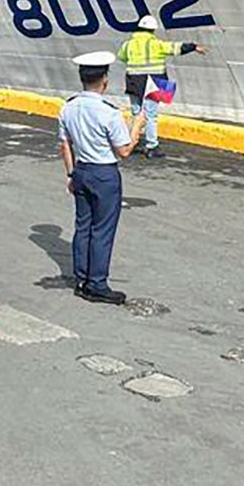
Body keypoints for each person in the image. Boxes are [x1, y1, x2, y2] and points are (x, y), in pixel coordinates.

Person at [60, 53, 137, 304]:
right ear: (104, 81)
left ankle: (81, 279)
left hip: (81, 169)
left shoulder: (68, 107)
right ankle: (97, 284)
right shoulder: (109, 112)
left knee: (83, 226)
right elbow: (124, 151)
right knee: (102, 230)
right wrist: (137, 127)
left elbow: (65, 145)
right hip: (104, 174)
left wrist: (71, 174)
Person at [115, 13, 199, 157]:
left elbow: (121, 57)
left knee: (136, 112)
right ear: (153, 30)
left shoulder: (128, 44)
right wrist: (193, 47)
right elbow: (176, 48)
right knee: (151, 114)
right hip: (153, 82)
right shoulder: (157, 44)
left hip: (134, 82)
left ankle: (132, 142)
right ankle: (151, 146)